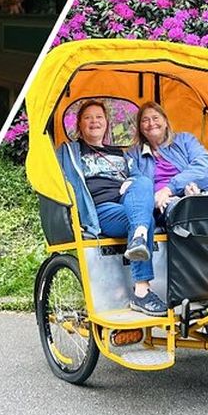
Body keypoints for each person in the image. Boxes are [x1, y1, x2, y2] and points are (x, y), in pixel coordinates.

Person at [58, 100, 162, 316]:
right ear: (79, 125)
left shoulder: (119, 153)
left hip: (127, 202)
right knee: (146, 220)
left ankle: (139, 236)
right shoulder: (70, 152)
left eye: (99, 117)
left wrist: (130, 184)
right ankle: (142, 291)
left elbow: (138, 180)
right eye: (88, 118)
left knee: (142, 182)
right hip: (101, 208)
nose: (94, 121)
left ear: (106, 124)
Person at [126, 101, 208, 216]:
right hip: (164, 204)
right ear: (140, 128)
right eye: (145, 120)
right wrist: (155, 198)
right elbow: (137, 184)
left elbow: (203, 167)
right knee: (180, 210)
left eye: (155, 118)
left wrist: (169, 189)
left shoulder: (185, 140)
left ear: (166, 122)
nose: (151, 123)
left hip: (200, 192)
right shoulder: (133, 154)